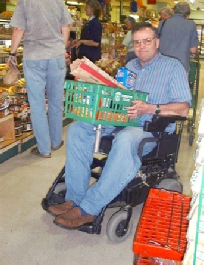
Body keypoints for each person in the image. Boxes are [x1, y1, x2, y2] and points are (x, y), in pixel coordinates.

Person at [47, 22, 192, 229]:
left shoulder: (172, 67)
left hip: (151, 126)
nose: (141, 46)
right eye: (137, 42)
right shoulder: (129, 67)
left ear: (157, 42)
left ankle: (89, 209)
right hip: (120, 119)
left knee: (125, 139)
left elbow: (184, 108)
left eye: (147, 41)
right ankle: (75, 199)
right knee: (79, 129)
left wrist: (149, 108)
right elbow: (117, 98)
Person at [8, 0, 73, 158]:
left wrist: (12, 53)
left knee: (37, 104)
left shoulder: (25, 0)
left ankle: (44, 149)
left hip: (34, 57)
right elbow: (66, 27)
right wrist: (61, 48)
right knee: (56, 101)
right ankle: (57, 141)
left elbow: (18, 29)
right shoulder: (57, 0)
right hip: (56, 57)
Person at [158, 2, 199, 73]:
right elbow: (193, 50)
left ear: (173, 11)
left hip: (162, 64)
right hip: (181, 66)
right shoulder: (191, 24)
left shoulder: (163, 23)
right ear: (188, 15)